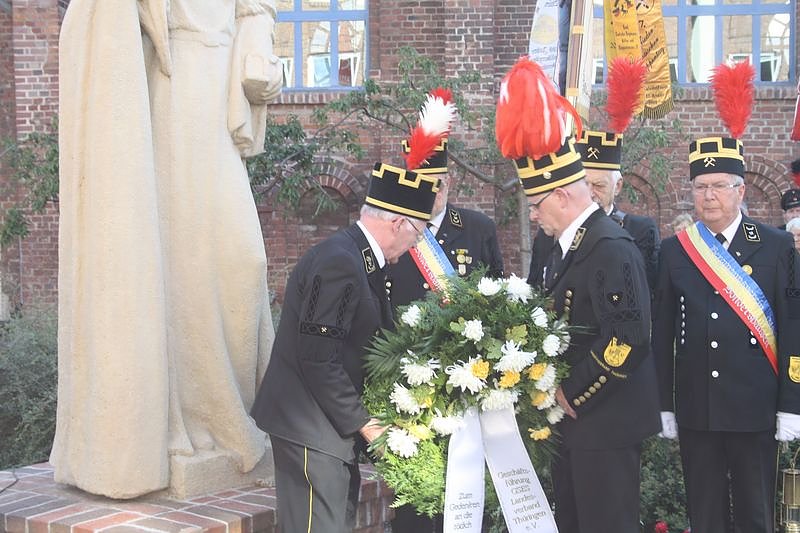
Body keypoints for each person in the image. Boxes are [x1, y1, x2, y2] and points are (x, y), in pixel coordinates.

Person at [54, 0, 282, 498]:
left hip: (218, 93)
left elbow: (257, 8)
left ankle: (230, 413)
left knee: (243, 261)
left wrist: (257, 47)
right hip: (169, 90)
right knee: (182, 258)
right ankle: (190, 423)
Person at [251, 162, 439, 533]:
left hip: (326, 429)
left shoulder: (359, 259)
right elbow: (318, 358)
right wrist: (366, 424)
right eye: (418, 232)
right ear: (398, 223)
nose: (418, 243)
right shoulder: (339, 262)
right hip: (309, 427)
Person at [653, 138, 800, 532]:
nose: (709, 196)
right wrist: (664, 403)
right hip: (698, 406)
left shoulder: (776, 245)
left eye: (719, 186)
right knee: (705, 513)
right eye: (701, 187)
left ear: (741, 191)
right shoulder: (676, 250)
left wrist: (791, 403)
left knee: (755, 514)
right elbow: (662, 330)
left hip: (756, 406)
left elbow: (794, 326)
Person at [576, 131, 661, 290]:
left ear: (618, 186)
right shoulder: (553, 232)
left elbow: (648, 291)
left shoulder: (640, 231)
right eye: (583, 184)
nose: (590, 193)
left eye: (599, 186)